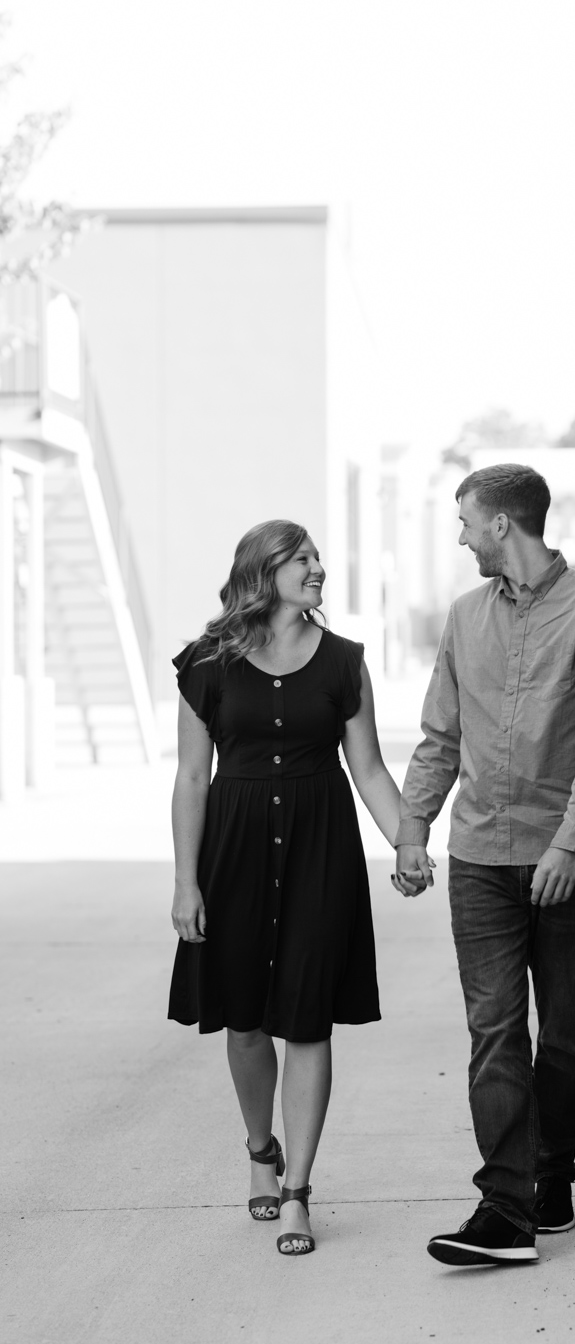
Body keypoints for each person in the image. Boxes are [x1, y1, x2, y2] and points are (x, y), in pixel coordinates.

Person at [395, 463, 575, 1266]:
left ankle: (552, 1173)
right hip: (480, 856)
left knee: (563, 1031)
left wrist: (567, 843)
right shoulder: (465, 617)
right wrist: (411, 829)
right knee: (493, 1031)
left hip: (567, 853)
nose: (459, 537)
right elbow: (440, 737)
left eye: (466, 523)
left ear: (502, 524)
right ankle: (505, 1205)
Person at [169, 519, 407, 1257]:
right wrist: (186, 882)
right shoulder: (207, 664)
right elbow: (190, 779)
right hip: (233, 854)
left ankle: (299, 1189)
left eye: (315, 558)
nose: (318, 568)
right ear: (263, 571)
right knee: (244, 1021)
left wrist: (410, 838)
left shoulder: (344, 663)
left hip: (320, 852)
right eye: (301, 559)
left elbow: (367, 768)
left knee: (307, 1019)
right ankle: (260, 1148)